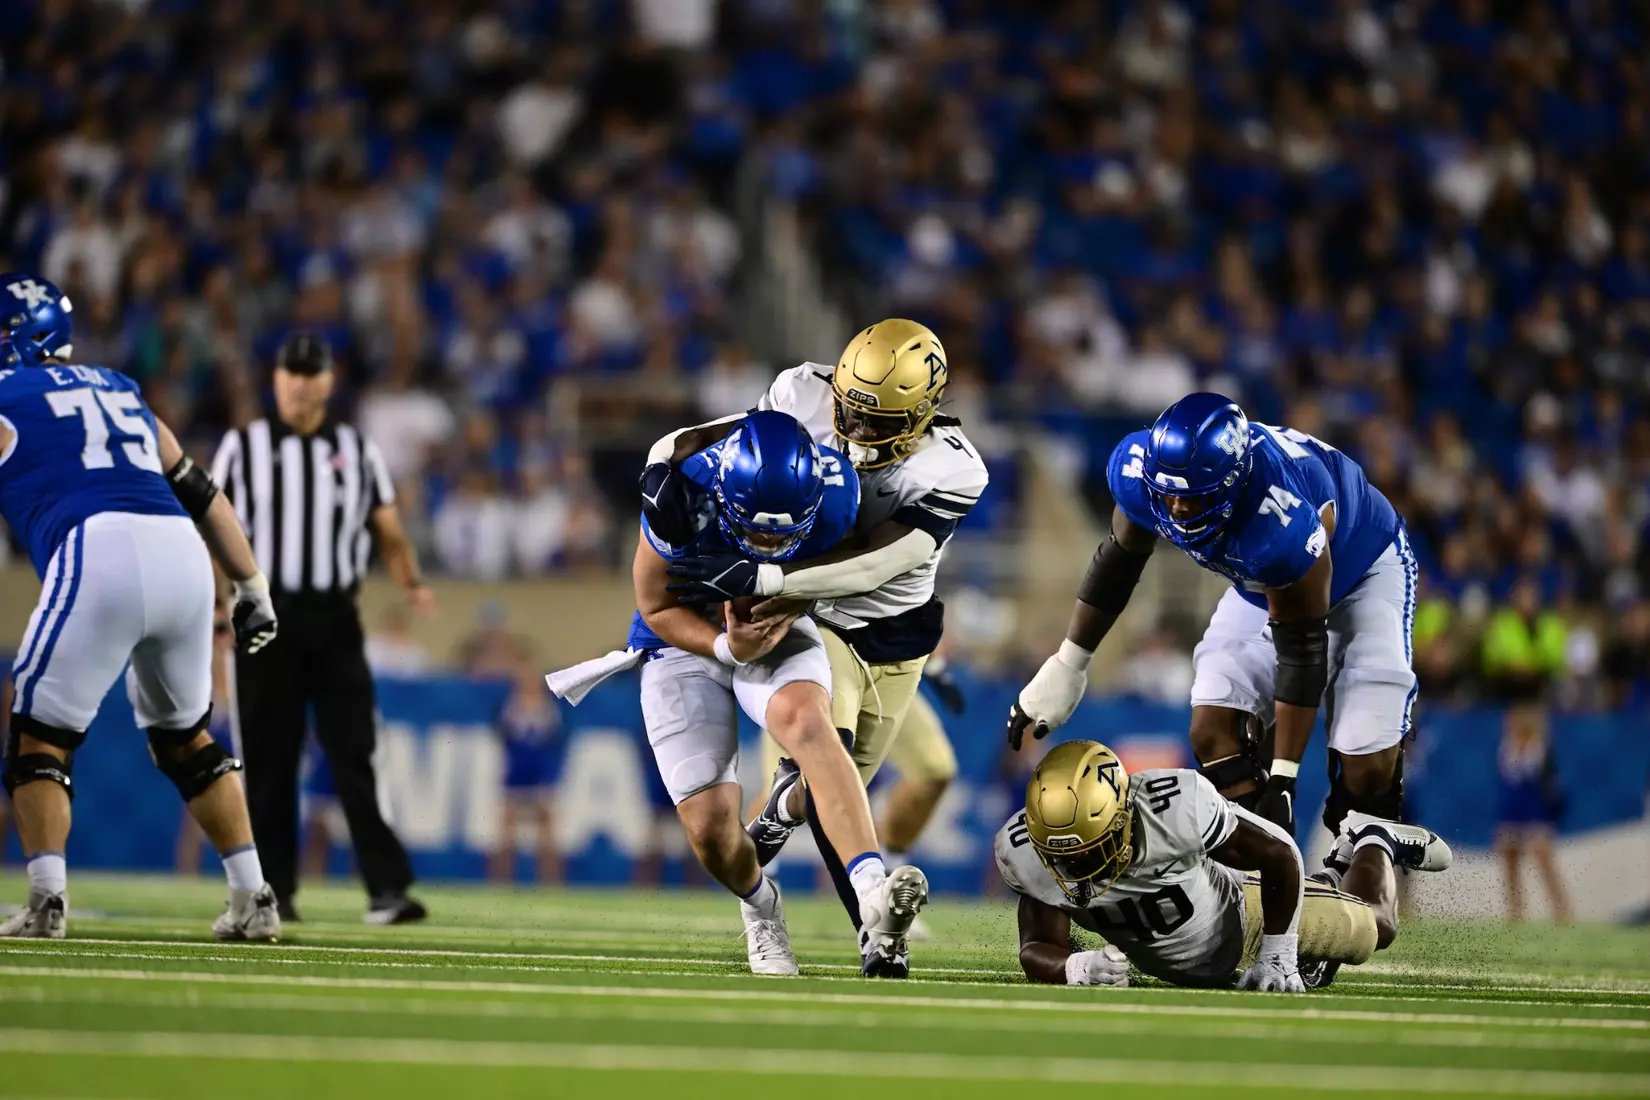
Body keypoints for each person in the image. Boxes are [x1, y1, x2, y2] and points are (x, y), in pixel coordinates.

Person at [549, 410, 928, 977]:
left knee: (809, 724)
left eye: (782, 535)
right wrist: (727, 647)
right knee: (709, 829)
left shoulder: (838, 495)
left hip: (772, 623)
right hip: (682, 639)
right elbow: (655, 605)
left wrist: (792, 599)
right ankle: (761, 904)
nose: (768, 545)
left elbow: (844, 572)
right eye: (755, 532)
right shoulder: (683, 494)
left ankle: (872, 890)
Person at [664, 320, 989, 964]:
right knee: (826, 760)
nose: (856, 429)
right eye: (849, 410)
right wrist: (659, 463)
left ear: (921, 416)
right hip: (817, 618)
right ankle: (878, 936)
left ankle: (778, 813)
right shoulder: (800, 393)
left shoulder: (953, 469)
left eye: (877, 420)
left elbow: (875, 562)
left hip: (894, 633)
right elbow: (723, 448)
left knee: (829, 799)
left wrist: (770, 578)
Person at [0, 272, 281, 940]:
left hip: (98, 547)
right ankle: (253, 897)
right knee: (188, 741)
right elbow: (202, 491)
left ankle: (46, 900)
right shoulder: (120, 388)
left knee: (39, 739)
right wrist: (252, 587)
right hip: (183, 552)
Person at [1008, 394, 1416, 843]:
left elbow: (1301, 649)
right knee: (1213, 731)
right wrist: (1069, 664)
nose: (1177, 509)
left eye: (1193, 497)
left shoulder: (1278, 520)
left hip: (1364, 571)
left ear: (1234, 483)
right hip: (1262, 585)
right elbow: (1119, 561)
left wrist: (1284, 777)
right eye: (1168, 494)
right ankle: (1261, 869)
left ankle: (1374, 849)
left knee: (1366, 766)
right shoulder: (1139, 473)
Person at [210, 332, 432, 924]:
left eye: (312, 373)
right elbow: (212, 525)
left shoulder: (355, 449)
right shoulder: (242, 446)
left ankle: (386, 889)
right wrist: (217, 607)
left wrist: (410, 580)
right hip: (264, 614)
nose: (301, 384)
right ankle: (271, 891)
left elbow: (387, 527)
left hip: (335, 616)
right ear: (276, 378)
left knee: (356, 751)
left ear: (329, 381)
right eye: (292, 372)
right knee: (268, 758)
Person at [999, 740, 1452, 990]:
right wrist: (1079, 967)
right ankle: (1338, 866)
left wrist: (1277, 954)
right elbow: (1037, 946)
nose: (1075, 866)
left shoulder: (1175, 808)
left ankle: (1373, 838)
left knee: (1377, 928)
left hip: (1245, 911)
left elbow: (1279, 852)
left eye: (1089, 849)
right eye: (1060, 855)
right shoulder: (1024, 852)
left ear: (1122, 817)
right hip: (1201, 959)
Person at [491, 639, 565, 884]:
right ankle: (501, 881)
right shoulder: (510, 705)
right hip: (517, 772)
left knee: (546, 831)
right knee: (507, 830)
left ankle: (550, 882)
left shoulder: (548, 706)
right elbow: (504, 737)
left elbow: (553, 740)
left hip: (540, 772)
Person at [1496, 704, 1573, 923]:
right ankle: (1515, 912)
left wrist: (1549, 816)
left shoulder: (1541, 747)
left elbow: (1551, 785)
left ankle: (1562, 911)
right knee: (1509, 857)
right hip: (1512, 812)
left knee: (1543, 858)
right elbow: (1505, 784)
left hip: (1536, 812)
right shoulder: (1505, 747)